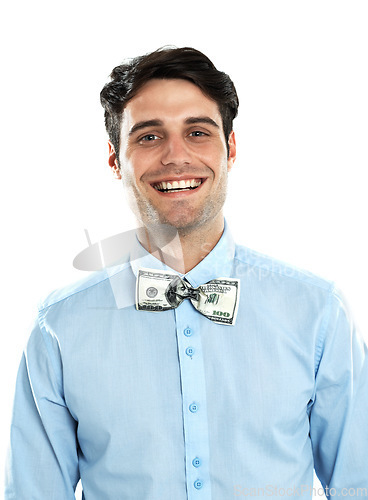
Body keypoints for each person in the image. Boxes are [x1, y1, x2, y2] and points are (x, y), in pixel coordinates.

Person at [5, 47, 368, 499]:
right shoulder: (58, 326)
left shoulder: (318, 313)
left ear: (230, 149)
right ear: (116, 159)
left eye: (197, 132)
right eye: (150, 137)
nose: (177, 156)